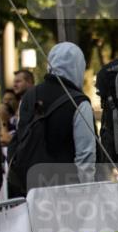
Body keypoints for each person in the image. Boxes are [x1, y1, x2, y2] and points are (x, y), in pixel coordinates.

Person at [7, 43, 96, 197]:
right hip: (66, 191)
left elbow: (21, 137)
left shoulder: (29, 95)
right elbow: (85, 155)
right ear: (78, 66)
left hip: (30, 187)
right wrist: (88, 192)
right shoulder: (79, 102)